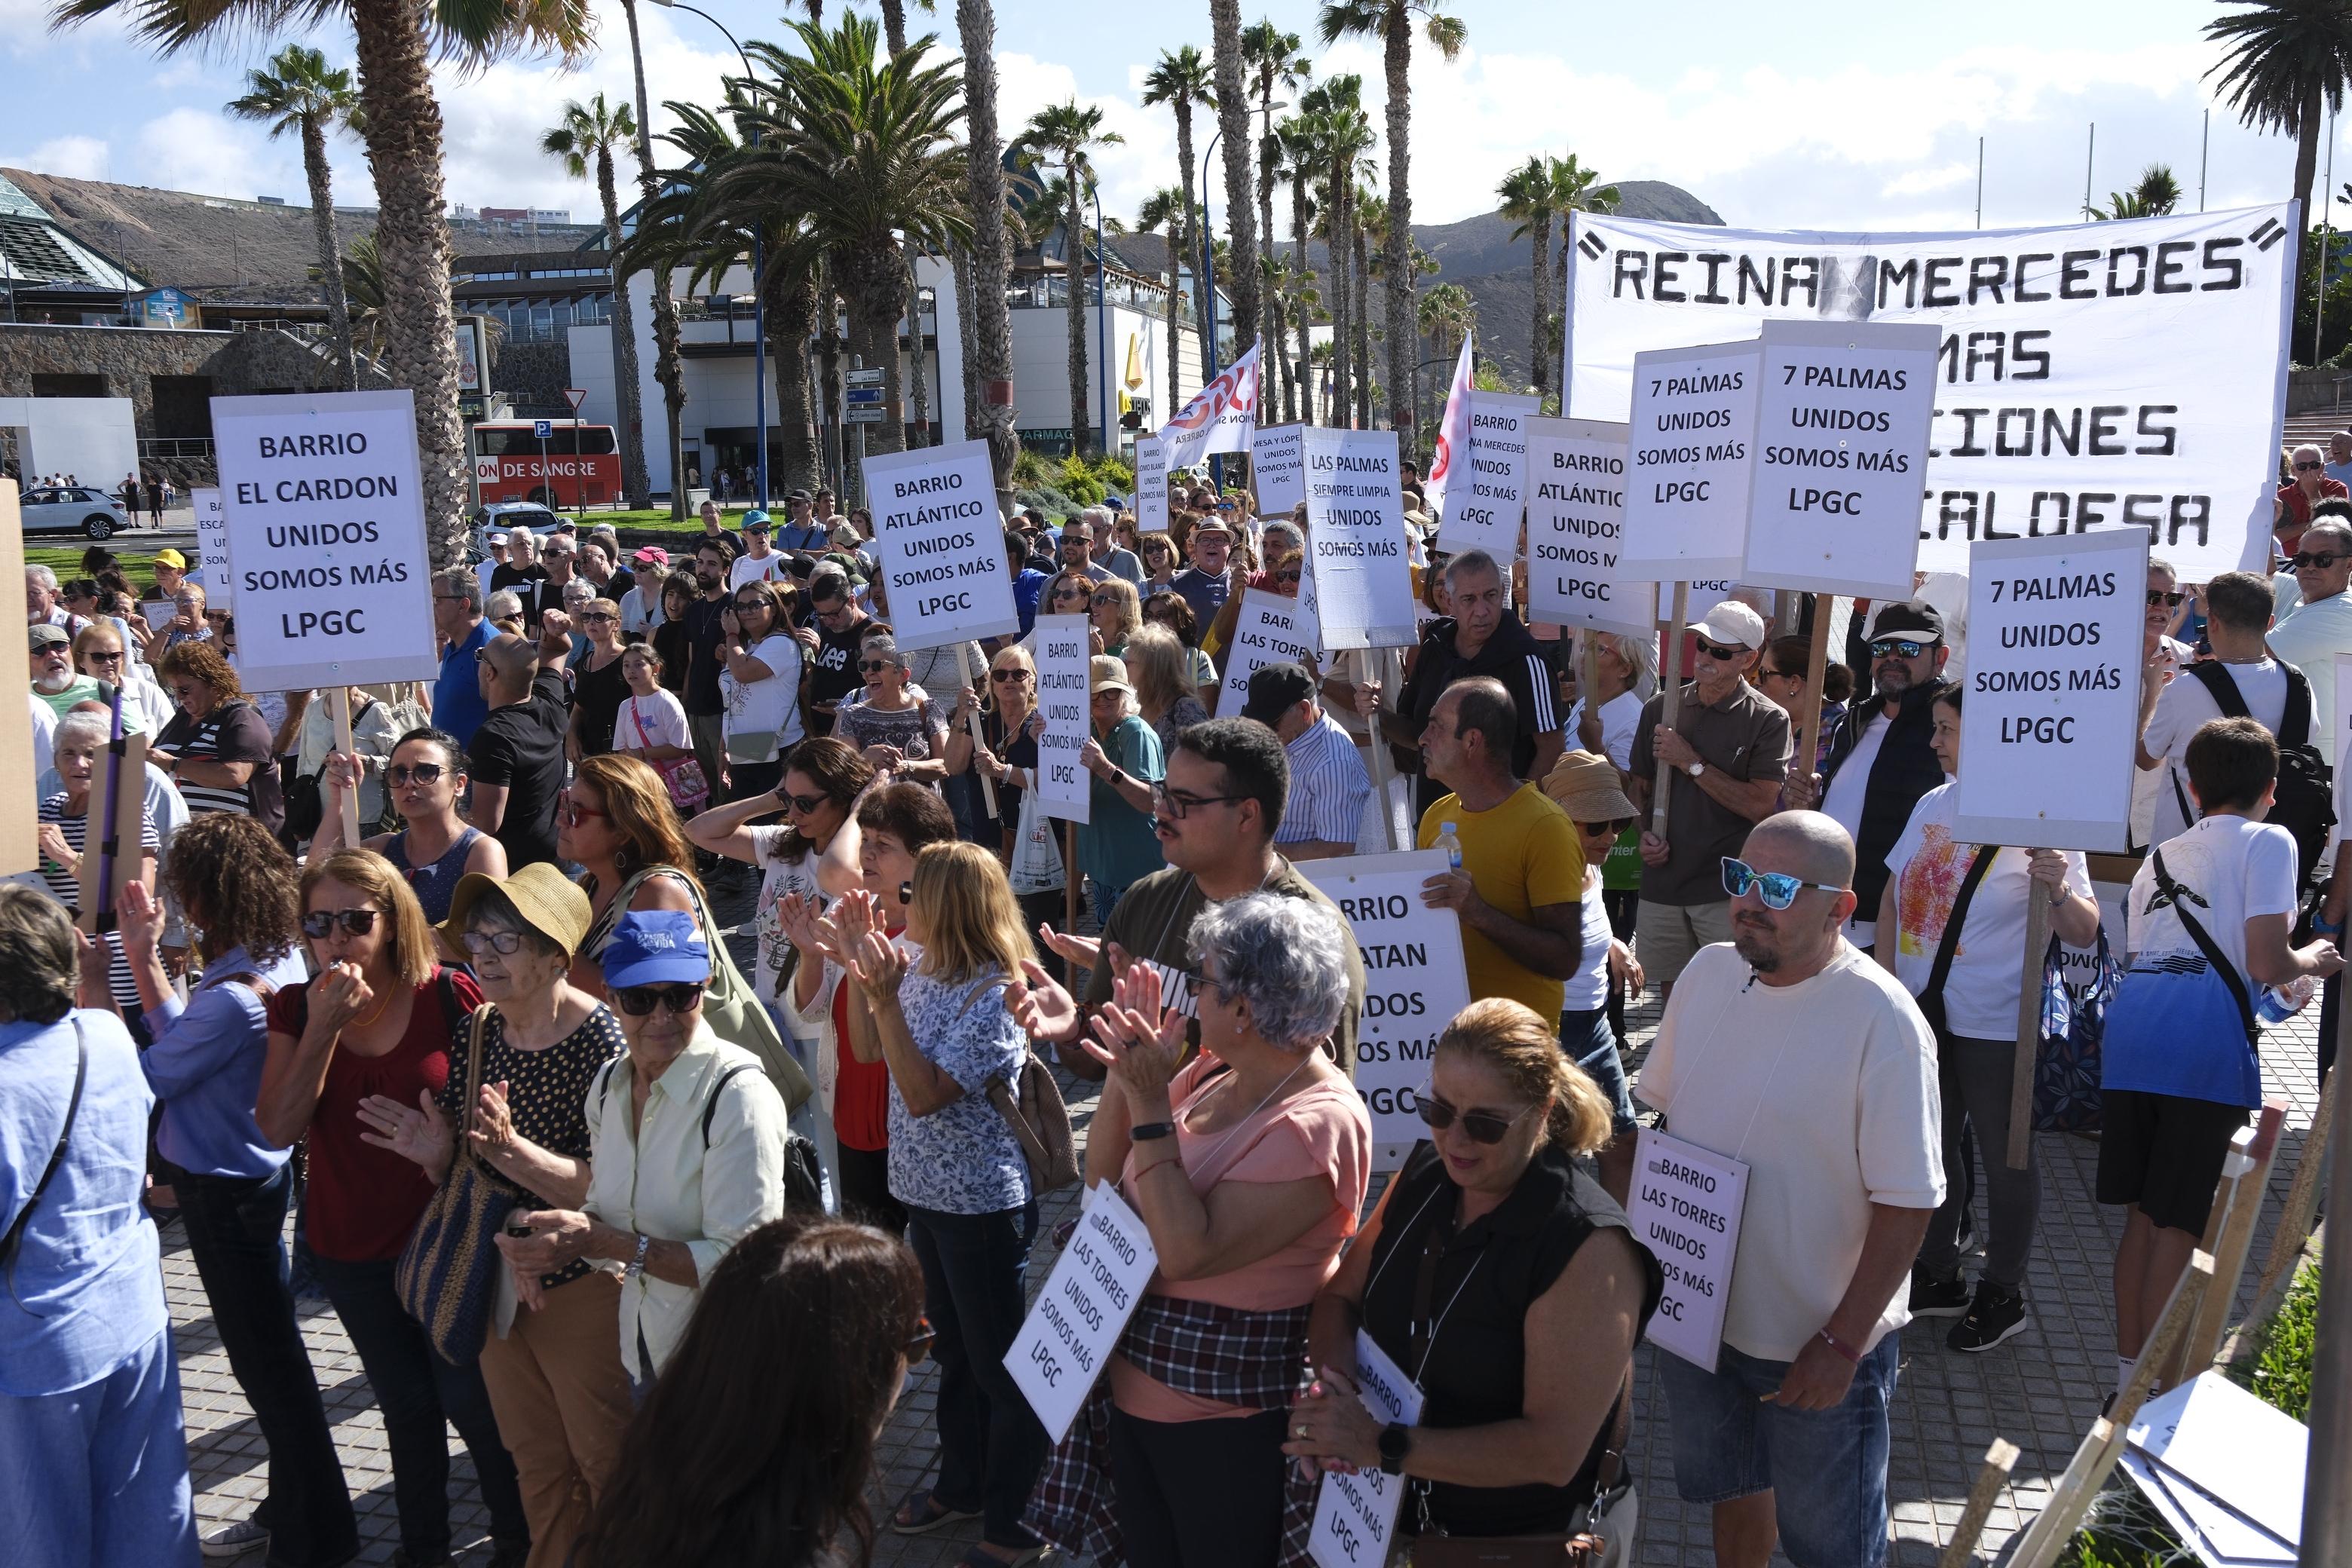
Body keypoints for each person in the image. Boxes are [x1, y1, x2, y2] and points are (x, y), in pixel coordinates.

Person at [1637, 811, 1943, 1568]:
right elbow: (1663, 1125)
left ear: (1841, 908)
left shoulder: (1884, 1021)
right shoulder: (1707, 974)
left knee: (1833, 1549)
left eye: (1776, 888)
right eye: (1740, 878)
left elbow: (1910, 1202)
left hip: (1816, 1345)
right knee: (1735, 1493)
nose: (1748, 902)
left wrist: (1842, 1343)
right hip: (1700, 1322)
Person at [1033, 895, 1372, 1568]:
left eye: (1203, 980)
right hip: (1133, 1396)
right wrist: (1126, 1066)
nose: (1190, 994)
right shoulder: (1218, 1069)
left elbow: (1187, 1252)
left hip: (1223, 1427)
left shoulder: (1322, 1122)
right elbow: (1102, 1185)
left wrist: (1149, 1099)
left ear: (1243, 1008)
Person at [1288, 999, 1659, 1558]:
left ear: (1542, 1111)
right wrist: (1334, 1396)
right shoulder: (1422, 1175)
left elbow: (1553, 1452)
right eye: (1438, 1110)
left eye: (1485, 1124)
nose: (1456, 1140)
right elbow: (1340, 1297)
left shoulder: (1588, 1246)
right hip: (1393, 1520)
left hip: (1516, 1544)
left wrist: (1381, 1445)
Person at [88, 817, 354, 1565]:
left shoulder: (234, 996)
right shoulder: (274, 958)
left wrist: (99, 988)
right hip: (255, 1184)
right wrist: (143, 956)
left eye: (185, 889)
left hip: (224, 1200)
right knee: (274, 1361)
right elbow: (189, 1042)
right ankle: (290, 1510)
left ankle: (315, 1535)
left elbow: (148, 1074)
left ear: (207, 897)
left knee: (271, 1374)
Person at [358, 865, 629, 1568]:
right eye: (477, 938)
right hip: (495, 1280)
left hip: (579, 1285)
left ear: (555, 958)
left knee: (608, 1464)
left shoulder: (604, 1043)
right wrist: (437, 1156)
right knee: (535, 1463)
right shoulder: (481, 1027)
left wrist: (513, 1152)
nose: (483, 954)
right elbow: (466, 1165)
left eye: (505, 940)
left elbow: (613, 1191)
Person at [2099, 718, 2343, 1397]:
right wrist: (2313, 960)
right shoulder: (2271, 841)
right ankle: (2159, 1395)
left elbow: (2145, 955)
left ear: (2192, 786)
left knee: (2142, 1218)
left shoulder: (2162, 853)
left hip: (2133, 1041)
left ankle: (2127, 1382)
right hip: (2200, 1048)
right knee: (2181, 1222)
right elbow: (2267, 961)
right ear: (2270, 790)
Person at [841, 844, 1049, 1566]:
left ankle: (1020, 1522)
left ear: (946, 904)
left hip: (980, 1210)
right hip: (925, 1201)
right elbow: (868, 1051)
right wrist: (860, 969)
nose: (900, 903)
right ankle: (965, 1485)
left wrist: (885, 998)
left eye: (912, 893)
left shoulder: (997, 994)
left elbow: (925, 1094)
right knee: (957, 1354)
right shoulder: (920, 965)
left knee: (1001, 1370)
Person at [1876, 684, 2099, 1353]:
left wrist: (2057, 885)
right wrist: (1886, 988)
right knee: (1932, 1147)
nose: (1934, 741)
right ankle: (1938, 1272)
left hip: (1997, 1020)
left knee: (2007, 1161)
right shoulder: (1933, 803)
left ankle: (2003, 1291)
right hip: (1922, 1010)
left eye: (1947, 729)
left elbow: (2084, 930)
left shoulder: (2042, 815)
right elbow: (1892, 897)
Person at [497, 909, 793, 1398]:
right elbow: (607, 1208)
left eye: (680, 995)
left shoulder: (739, 1096)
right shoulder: (608, 1086)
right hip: (645, 1348)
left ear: (705, 987)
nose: (661, 1016)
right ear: (610, 997)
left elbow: (741, 1263)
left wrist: (606, 1243)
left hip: (727, 1366)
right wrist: (554, 1240)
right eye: (639, 998)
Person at [0, 885, 201, 1568]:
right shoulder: (106, 1035)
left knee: (41, 1536)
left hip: (38, 1354)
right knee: (147, 1521)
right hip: (133, 1315)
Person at [1015, 718, 1368, 1076]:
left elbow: (1316, 1099)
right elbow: (1094, 1062)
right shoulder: (1144, 901)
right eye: (1163, 793)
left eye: (1183, 801)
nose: (1161, 811)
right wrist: (1073, 1029)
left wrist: (1165, 1064)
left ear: (1246, 814)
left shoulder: (1314, 940)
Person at [571, 1216, 927, 1568]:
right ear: (848, 1375)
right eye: (916, 1339)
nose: (910, 1365)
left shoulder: (642, 1505)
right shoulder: (789, 1552)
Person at [775, 779, 951, 1227]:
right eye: (865, 840)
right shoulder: (850, 910)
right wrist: (811, 956)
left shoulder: (943, 935)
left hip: (909, 1114)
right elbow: (810, 1011)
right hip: (850, 1108)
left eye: (883, 845)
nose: (866, 854)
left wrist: (862, 967)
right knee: (869, 1247)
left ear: (925, 856)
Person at [1627, 600, 1791, 1003]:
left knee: (1732, 996)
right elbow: (1638, 789)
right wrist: (1645, 832)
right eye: (1701, 645)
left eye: (1720, 651)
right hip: (1662, 885)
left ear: (1749, 659)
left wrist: (1690, 762)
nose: (1705, 657)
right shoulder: (1660, 708)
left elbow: (1760, 806)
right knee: (1675, 997)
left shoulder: (1768, 719)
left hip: (1726, 890)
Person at [1417, 676, 1588, 1024]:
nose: (1422, 738)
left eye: (1436, 727)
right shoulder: (1436, 817)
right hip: (1451, 1034)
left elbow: (1565, 959)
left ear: (1472, 741)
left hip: (1518, 1042)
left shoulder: (1546, 827)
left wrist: (1478, 912)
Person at [1790, 601, 1955, 953]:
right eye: (1881, 648)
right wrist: (1813, 801)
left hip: (1902, 932)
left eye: (1908, 648)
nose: (1892, 657)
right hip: (1829, 917)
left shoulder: (1952, 729)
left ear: (1940, 658)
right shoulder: (1854, 721)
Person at [1360, 550, 1565, 819]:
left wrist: (1513, 815)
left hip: (1499, 830)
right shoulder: (1435, 647)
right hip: (1436, 823)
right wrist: (1378, 714)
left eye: (1490, 596)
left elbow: (1552, 748)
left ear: (1502, 593)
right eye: (1469, 599)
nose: (1482, 611)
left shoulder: (1527, 660)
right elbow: (1416, 735)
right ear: (1448, 600)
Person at [1539, 749, 1649, 1203]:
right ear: (1561, 822)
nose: (1611, 836)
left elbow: (1587, 925)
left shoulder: (1591, 866)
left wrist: (1614, 945)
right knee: (1552, 1159)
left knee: (1623, 1140)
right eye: (1597, 825)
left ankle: (1620, 1236)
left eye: (1618, 824)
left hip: (1597, 1023)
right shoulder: (1544, 873)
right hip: (1555, 1029)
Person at [2138, 571, 2298, 846]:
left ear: (2212, 622)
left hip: (2184, 850)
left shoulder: (2184, 689)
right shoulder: (2298, 683)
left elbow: (2146, 759)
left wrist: (2153, 690)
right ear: (2270, 623)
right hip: (2266, 844)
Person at [41, 711, 161, 1035]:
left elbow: (138, 893)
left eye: (91, 754)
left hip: (118, 966)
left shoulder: (126, 812)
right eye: (69, 753)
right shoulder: (49, 809)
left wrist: (68, 857)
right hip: (61, 966)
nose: (79, 764)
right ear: (55, 761)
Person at [467, 623, 574, 870]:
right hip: (561, 861)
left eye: (481, 657)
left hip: (519, 875)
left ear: (490, 673)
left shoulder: (493, 736)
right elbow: (558, 648)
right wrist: (554, 625)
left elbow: (485, 823)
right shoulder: (550, 701)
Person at [1243, 660, 1370, 861]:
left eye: (1271, 725)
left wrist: (1262, 853)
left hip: (1301, 877)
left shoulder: (1333, 763)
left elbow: (1338, 849)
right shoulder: (1293, 735)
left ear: (1304, 710)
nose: (1264, 733)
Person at [1076, 654, 1166, 923]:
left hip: (1137, 870)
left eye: (1111, 692)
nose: (1102, 699)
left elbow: (1152, 801)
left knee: (1136, 946)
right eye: (1095, 692)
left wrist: (1107, 770)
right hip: (1104, 868)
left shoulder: (1135, 732)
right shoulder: (1088, 730)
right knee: (1108, 945)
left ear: (1125, 694)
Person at [2266, 516, 2352, 764]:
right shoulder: (2305, 593)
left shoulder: (2342, 612)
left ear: (2349, 565)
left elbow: (2253, 652)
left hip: (2323, 764)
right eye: (2302, 559)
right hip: (2300, 755)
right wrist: (2265, 524)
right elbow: (2264, 574)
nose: (2310, 567)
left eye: (2324, 559)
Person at [718, 579, 805, 801]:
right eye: (740, 606)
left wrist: (731, 635)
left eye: (755, 605)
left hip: (779, 751)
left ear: (773, 608)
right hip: (745, 749)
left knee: (773, 819)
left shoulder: (781, 643)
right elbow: (731, 702)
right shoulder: (744, 646)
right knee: (746, 818)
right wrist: (723, 749)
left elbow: (743, 673)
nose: (747, 612)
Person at [835, 633, 951, 784]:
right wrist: (865, 758)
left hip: (921, 799)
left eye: (877, 666)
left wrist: (906, 767)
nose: (869, 672)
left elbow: (946, 766)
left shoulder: (929, 709)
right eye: (864, 665)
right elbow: (844, 773)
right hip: (874, 799)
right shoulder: (853, 715)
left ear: (903, 674)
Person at [1567, 630, 1655, 782]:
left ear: (1625, 669)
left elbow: (1626, 786)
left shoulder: (1633, 720)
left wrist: (1596, 747)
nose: (1585, 656)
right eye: (1586, 648)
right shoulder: (1585, 702)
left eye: (1600, 650)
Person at [804, 565, 875, 737]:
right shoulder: (833, 628)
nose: (828, 621)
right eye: (822, 615)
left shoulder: (874, 635)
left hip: (855, 734)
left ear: (852, 601)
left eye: (834, 614)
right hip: (823, 732)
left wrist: (848, 706)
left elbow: (888, 689)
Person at [431, 570, 493, 749]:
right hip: (449, 761)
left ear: (463, 605)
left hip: (477, 763)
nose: (432, 606)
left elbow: (508, 717)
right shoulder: (453, 645)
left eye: (437, 600)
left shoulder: (490, 649)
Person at [1125, 623, 1208, 757]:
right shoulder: (1134, 705)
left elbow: (1200, 763)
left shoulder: (1186, 710)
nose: (1123, 668)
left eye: (1128, 663)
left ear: (1152, 668)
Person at [569, 597, 631, 760]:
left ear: (616, 624)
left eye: (600, 617)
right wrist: (571, 736)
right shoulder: (582, 663)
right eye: (586, 617)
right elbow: (578, 708)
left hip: (624, 752)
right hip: (589, 751)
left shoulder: (630, 660)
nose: (591, 622)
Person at [1141, 590, 1217, 695]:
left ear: (1179, 620)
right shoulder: (1129, 654)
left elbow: (1206, 703)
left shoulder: (1198, 659)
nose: (1153, 621)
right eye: (1148, 616)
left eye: (1161, 615)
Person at [1169, 513, 1236, 629]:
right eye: (1205, 540)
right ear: (1196, 547)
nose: (1212, 545)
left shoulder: (1243, 583)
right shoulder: (1176, 584)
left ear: (1229, 547)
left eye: (1219, 540)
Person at [2277, 442, 2347, 531]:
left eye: (2314, 465)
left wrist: (2313, 492)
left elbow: (2333, 528)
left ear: (2322, 467)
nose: (2308, 469)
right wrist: (2309, 526)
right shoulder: (2283, 495)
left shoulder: (2337, 488)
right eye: (2302, 466)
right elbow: (2276, 534)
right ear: (2293, 470)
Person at [1008, 525, 1051, 637]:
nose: (1029, 538)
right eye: (1024, 535)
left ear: (1010, 557)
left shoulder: (1040, 581)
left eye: (1032, 534)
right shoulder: (989, 587)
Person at [729, 513, 791, 590]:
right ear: (744, 534)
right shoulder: (739, 564)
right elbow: (735, 595)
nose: (762, 535)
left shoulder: (787, 562)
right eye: (755, 531)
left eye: (766, 530)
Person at [618, 550, 669, 642]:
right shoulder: (628, 598)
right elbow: (622, 635)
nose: (636, 571)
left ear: (658, 571)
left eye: (643, 568)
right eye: (635, 567)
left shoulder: (671, 599)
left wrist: (653, 633)